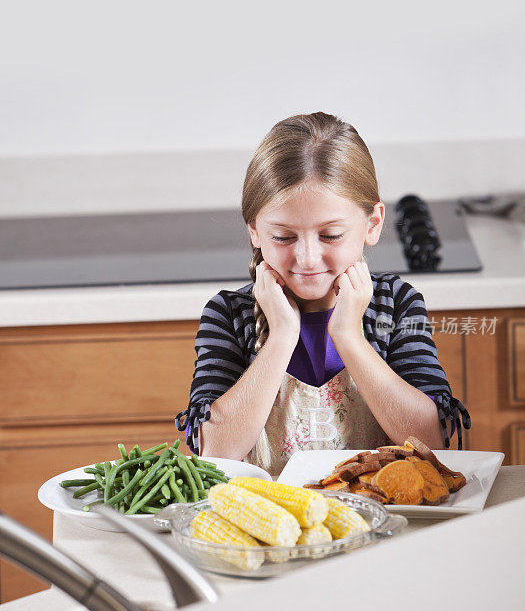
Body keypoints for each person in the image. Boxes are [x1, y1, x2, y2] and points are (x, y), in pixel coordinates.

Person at [176, 112, 471, 476]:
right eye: (283, 237)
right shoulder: (228, 314)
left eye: (330, 235)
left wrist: (348, 335)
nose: (307, 258)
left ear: (372, 224)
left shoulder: (396, 304)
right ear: (254, 231)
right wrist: (282, 334)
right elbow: (215, 453)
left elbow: (432, 441)